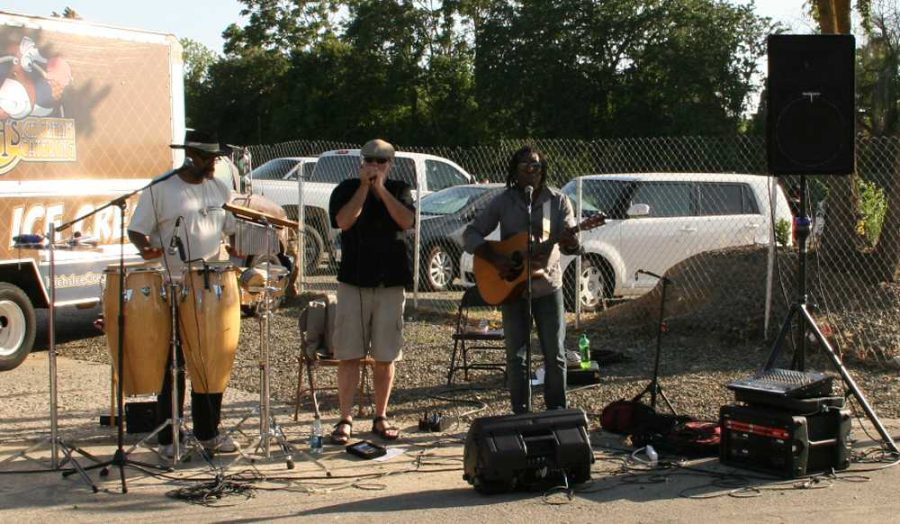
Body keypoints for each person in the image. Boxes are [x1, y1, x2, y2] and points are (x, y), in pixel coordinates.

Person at [127, 129, 240, 458]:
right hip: (171, 287)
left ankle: (208, 433)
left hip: (210, 285)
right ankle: (169, 437)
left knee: (209, 361)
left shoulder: (219, 186)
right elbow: (137, 230)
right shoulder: (160, 188)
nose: (213, 163)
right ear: (192, 154)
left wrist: (240, 248)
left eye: (215, 157)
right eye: (208, 157)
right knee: (171, 364)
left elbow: (231, 227)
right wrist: (147, 249)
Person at [463, 145, 579, 414]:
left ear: (543, 170)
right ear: (515, 172)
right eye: (525, 167)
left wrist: (572, 242)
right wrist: (496, 259)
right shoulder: (504, 201)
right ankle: (520, 414)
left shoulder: (557, 201)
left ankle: (557, 413)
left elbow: (571, 246)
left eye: (536, 167)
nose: (531, 172)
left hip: (548, 286)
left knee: (555, 354)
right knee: (517, 357)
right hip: (513, 289)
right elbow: (471, 234)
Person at [327, 138, 415, 444]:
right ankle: (345, 418)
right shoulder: (346, 189)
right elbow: (344, 221)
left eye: (381, 162)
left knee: (385, 355)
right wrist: (365, 188)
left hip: (389, 283)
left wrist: (380, 190)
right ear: (361, 162)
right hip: (354, 282)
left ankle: (380, 415)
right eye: (370, 161)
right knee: (349, 353)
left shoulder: (401, 190)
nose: (375, 166)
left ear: (390, 164)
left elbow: (405, 220)